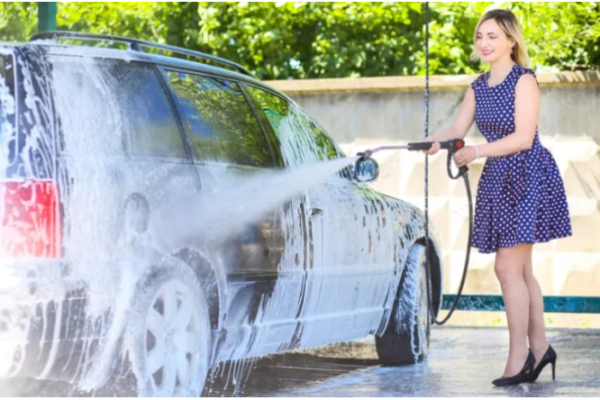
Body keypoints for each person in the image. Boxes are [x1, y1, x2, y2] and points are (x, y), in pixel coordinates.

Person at [423, 9, 572, 386]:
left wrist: (475, 152)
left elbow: (524, 138)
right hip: (499, 179)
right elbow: (458, 127)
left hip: (528, 176)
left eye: (492, 36)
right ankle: (540, 349)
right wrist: (437, 141)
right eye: (479, 37)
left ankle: (519, 357)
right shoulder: (477, 86)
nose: (484, 43)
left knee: (508, 269)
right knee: (521, 270)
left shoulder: (524, 81)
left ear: (511, 41)